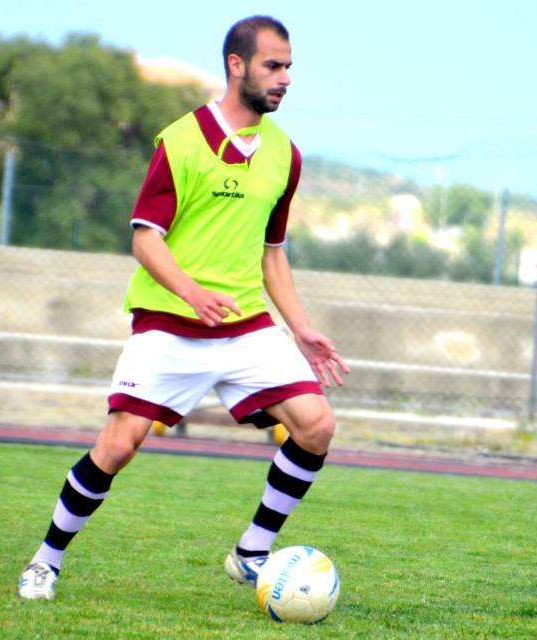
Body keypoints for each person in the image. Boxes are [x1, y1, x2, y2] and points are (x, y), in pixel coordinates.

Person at [18, 14, 349, 600]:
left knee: (317, 424)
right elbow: (145, 238)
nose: (285, 79)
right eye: (273, 66)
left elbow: (272, 252)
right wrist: (193, 294)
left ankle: (251, 553)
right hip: (170, 323)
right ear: (237, 65)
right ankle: (45, 562)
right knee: (120, 444)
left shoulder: (284, 156)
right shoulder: (180, 141)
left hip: (245, 324)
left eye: (289, 68)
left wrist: (300, 329)